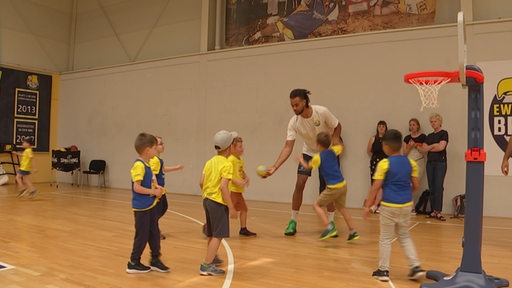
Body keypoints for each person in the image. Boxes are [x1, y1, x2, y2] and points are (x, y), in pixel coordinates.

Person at [265, 88, 342, 236]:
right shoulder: (294, 122)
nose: (294, 108)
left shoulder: (322, 112)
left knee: (328, 187)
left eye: (296, 105)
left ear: (305, 102)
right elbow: (288, 146)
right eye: (292, 105)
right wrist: (275, 167)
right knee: (300, 183)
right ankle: (293, 221)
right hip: (308, 152)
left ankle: (331, 222)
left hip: (326, 152)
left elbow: (337, 125)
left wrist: (336, 139)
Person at [363, 129, 425, 281]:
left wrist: (367, 206)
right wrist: (407, 195)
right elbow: (416, 185)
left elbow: (375, 187)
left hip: (389, 206)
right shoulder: (410, 163)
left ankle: (383, 270)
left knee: (385, 238)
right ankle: (415, 266)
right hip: (406, 206)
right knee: (404, 236)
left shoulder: (384, 164)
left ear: (385, 146)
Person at [297, 132, 359, 241]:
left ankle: (329, 227)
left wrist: (301, 160)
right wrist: (334, 135)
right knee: (342, 208)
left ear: (318, 145)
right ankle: (352, 231)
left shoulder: (317, 157)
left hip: (333, 187)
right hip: (343, 185)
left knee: (316, 205)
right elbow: (341, 146)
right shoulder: (334, 151)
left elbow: (307, 167)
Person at [127, 132, 169, 274]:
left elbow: (152, 180)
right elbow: (136, 187)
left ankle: (155, 259)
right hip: (142, 208)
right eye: (154, 147)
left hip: (150, 205)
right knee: (142, 235)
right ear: (147, 150)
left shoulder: (148, 164)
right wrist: (153, 192)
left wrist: (157, 187)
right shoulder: (138, 165)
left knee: (154, 233)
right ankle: (133, 262)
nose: (157, 149)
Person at [199, 130, 238, 276]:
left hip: (207, 200)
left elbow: (201, 182)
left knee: (211, 233)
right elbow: (223, 187)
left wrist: (208, 194)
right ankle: (206, 265)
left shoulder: (209, 162)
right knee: (218, 235)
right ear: (229, 147)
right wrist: (231, 207)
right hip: (217, 202)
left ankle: (211, 257)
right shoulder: (227, 164)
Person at [243, 0, 338, 45]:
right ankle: (255, 36)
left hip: (304, 30)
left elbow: (333, 20)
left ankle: (273, 34)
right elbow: (303, 4)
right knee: (277, 27)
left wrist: (336, 32)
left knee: (285, 40)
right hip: (298, 19)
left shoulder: (333, 6)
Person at [149, 136, 184, 240]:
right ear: (154, 147)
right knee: (158, 210)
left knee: (164, 207)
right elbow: (152, 174)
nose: (163, 145)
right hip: (157, 191)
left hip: (161, 190)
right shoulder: (154, 160)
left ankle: (153, 227)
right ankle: (154, 230)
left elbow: (163, 169)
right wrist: (156, 187)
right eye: (160, 144)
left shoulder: (159, 160)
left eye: (162, 143)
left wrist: (176, 168)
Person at [418, 113, 448, 221]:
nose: (433, 123)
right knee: (431, 186)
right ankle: (433, 211)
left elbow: (441, 147)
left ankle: (438, 211)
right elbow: (423, 149)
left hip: (440, 163)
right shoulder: (429, 136)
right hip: (430, 163)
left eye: (435, 121)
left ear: (440, 122)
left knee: (438, 186)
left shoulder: (444, 133)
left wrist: (429, 147)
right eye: (431, 122)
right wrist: (433, 146)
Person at [228, 135, 257, 237]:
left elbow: (241, 171)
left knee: (244, 209)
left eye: (242, 146)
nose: (242, 149)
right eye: (240, 147)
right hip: (232, 190)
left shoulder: (240, 160)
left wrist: (246, 177)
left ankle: (243, 229)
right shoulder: (230, 160)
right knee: (227, 211)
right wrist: (236, 182)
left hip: (238, 191)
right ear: (232, 148)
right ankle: (211, 226)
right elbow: (228, 175)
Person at [403, 118, 427, 213]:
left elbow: (424, 151)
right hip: (408, 162)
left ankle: (413, 206)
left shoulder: (423, 137)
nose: (412, 126)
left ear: (418, 126)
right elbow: (404, 153)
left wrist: (416, 145)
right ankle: (409, 206)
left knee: (415, 184)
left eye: (414, 124)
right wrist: (409, 146)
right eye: (410, 125)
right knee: (407, 184)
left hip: (419, 162)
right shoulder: (407, 138)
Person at [366, 120, 388, 213]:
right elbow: (368, 151)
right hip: (375, 163)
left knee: (383, 185)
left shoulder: (388, 139)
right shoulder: (373, 138)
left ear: (386, 128)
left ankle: (381, 205)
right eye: (379, 126)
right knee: (375, 184)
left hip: (385, 163)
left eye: (383, 126)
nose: (381, 128)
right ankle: (375, 204)